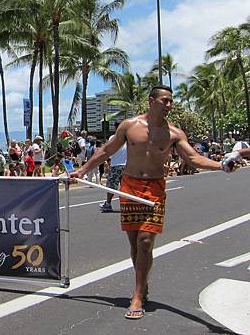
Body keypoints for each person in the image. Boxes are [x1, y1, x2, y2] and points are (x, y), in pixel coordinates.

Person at [69, 86, 235, 320]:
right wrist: (83, 170)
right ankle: (142, 283)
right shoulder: (129, 126)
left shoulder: (175, 134)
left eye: (171, 101)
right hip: (129, 187)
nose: (169, 105)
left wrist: (221, 165)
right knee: (135, 244)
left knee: (146, 241)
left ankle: (137, 295)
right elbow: (107, 149)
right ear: (151, 101)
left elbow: (194, 158)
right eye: (164, 101)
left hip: (154, 189)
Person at [99, 122, 127, 213]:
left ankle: (108, 203)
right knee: (125, 186)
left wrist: (107, 160)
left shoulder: (113, 137)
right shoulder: (129, 138)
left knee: (111, 185)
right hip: (127, 165)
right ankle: (126, 204)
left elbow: (109, 150)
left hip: (116, 164)